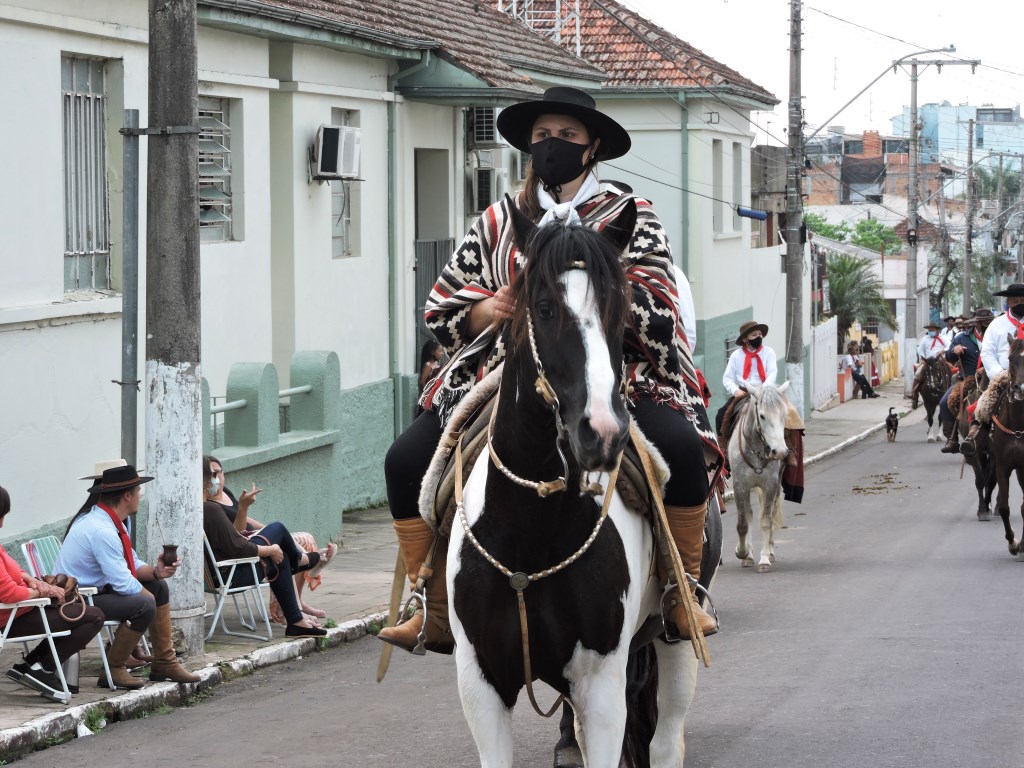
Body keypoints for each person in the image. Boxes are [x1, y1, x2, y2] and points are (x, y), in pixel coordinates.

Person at [380, 86, 722, 654]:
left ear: (592, 149)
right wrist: (489, 309)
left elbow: (659, 296)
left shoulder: (627, 214)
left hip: (613, 374)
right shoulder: (497, 221)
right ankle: (431, 604)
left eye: (566, 136)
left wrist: (601, 300)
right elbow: (442, 307)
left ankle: (682, 593)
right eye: (542, 137)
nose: (552, 146)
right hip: (506, 377)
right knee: (404, 462)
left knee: (681, 450)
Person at [54, 465, 200, 689]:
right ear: (127, 496)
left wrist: (156, 572)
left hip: (97, 592)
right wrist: (148, 599)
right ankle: (113, 669)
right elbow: (123, 583)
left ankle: (165, 662)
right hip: (80, 600)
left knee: (158, 587)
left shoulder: (110, 521)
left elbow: (131, 563)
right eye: (138, 492)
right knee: (144, 603)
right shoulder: (101, 530)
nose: (140, 497)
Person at [201, 458, 326, 638]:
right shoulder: (210, 509)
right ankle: (301, 560)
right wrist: (269, 550)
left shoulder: (202, 508)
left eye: (219, 473)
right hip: (231, 574)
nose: (217, 479)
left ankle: (296, 623)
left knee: (279, 556)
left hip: (231, 568)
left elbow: (234, 538)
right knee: (278, 529)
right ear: (204, 479)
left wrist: (272, 550)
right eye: (213, 475)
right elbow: (237, 546)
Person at [0, 486, 104, 702]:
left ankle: (28, 665)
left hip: (21, 612)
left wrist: (28, 578)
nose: (2, 523)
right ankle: (42, 669)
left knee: (87, 613)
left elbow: (10, 569)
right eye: (1, 516)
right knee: (94, 617)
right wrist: (41, 593)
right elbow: (8, 593)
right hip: (10, 619)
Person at [963, 283, 1024, 454]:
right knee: (984, 402)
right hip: (1000, 374)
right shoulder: (996, 324)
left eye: (1022, 300)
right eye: (1015, 301)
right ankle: (975, 434)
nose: (1019, 303)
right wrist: (999, 374)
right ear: (1008, 302)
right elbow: (987, 353)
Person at [939, 309, 993, 453]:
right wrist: (954, 350)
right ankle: (953, 440)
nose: (986, 324)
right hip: (968, 379)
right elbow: (949, 357)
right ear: (976, 323)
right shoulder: (961, 337)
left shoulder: (996, 335)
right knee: (945, 402)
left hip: (993, 378)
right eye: (983, 322)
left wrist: (987, 368)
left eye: (988, 321)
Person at [911, 321, 948, 409]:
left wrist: (943, 351)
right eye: (929, 330)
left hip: (940, 361)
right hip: (927, 361)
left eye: (932, 330)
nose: (931, 331)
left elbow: (950, 346)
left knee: (952, 373)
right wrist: (924, 358)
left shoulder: (944, 338)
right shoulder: (925, 339)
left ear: (937, 330)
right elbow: (920, 350)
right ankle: (914, 394)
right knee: (918, 374)